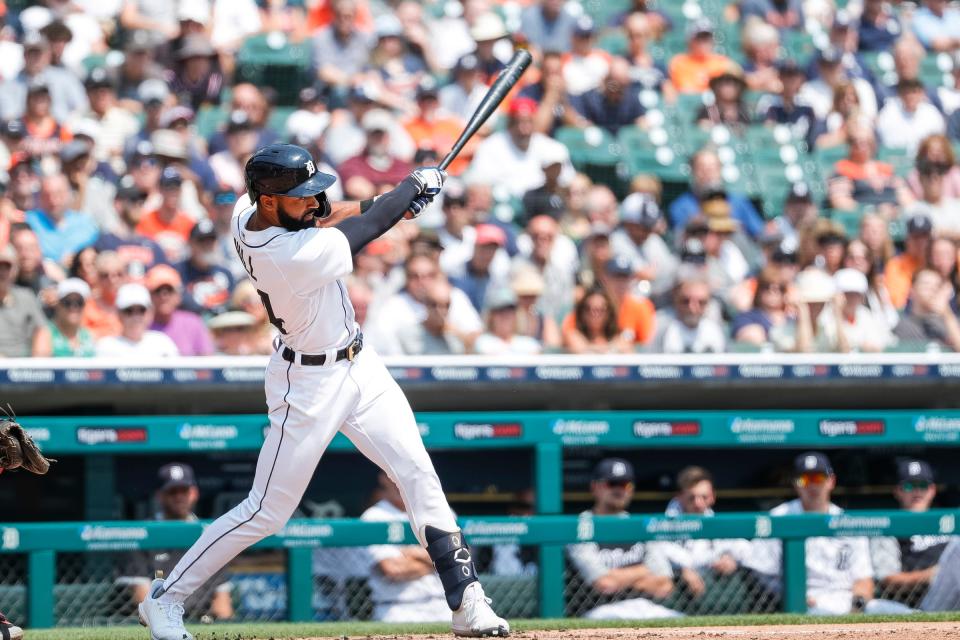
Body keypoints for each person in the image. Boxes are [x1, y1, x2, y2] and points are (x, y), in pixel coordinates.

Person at [137, 143, 509, 640]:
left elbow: (337, 213)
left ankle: (467, 601)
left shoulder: (249, 210)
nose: (313, 204)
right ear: (270, 201)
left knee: (418, 472)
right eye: (301, 196)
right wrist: (407, 194)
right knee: (267, 511)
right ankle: (167, 598)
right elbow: (360, 231)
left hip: (360, 364)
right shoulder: (286, 254)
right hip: (307, 385)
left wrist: (397, 199)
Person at [747, 452, 902, 615]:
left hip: (852, 603)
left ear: (831, 481)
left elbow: (864, 580)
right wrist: (795, 597)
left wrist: (856, 607)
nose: (812, 485)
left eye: (819, 478)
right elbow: (764, 574)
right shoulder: (779, 517)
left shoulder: (848, 522)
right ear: (795, 483)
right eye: (805, 479)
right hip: (810, 605)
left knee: (908, 615)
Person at [566, 458, 681, 620]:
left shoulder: (639, 526)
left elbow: (665, 585)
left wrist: (618, 578)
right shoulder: (583, 525)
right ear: (595, 487)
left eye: (625, 484)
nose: (619, 490)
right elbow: (604, 583)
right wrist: (644, 571)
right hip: (600, 610)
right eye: (612, 484)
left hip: (645, 607)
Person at [119, 463, 234, 622]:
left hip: (202, 622)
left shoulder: (209, 536)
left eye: (184, 490)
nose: (179, 496)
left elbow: (222, 601)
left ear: (194, 493)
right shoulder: (144, 534)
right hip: (157, 623)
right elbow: (142, 597)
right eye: (172, 491)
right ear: (160, 495)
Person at [363, 470, 449, 622]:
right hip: (397, 609)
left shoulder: (438, 511)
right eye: (392, 476)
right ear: (383, 479)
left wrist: (412, 553)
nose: (399, 482)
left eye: (404, 475)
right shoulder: (374, 517)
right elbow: (394, 569)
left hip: (444, 606)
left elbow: (462, 555)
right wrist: (440, 560)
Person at [871, 459, 959, 609]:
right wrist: (934, 575)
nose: (917, 492)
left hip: (953, 595)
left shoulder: (947, 522)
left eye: (922, 486)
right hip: (916, 604)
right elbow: (888, 580)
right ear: (897, 491)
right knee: (874, 607)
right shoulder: (889, 527)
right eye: (909, 486)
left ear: (932, 490)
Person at [145, 264, 214, 357]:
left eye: (169, 290)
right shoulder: (141, 325)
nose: (164, 296)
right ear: (149, 295)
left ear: (178, 295)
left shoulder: (193, 323)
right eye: (158, 291)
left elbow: (207, 362)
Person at [96, 282, 179, 358]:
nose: (136, 316)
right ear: (118, 314)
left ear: (150, 312)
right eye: (129, 310)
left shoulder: (163, 343)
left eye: (141, 310)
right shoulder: (105, 347)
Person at [651, 275, 726, 354]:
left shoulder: (714, 329)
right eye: (686, 301)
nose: (692, 308)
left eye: (701, 302)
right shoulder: (658, 325)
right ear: (675, 299)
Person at [0, 243, 51, 358]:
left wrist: (38, 364)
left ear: (15, 270)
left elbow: (41, 330)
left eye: (6, 267)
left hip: (22, 367)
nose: (1, 273)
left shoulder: (26, 297)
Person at [894, 268, 960, 351]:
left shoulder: (949, 322)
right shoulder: (903, 325)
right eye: (926, 284)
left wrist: (947, 314)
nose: (932, 289)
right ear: (912, 290)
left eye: (937, 286)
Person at [668, 19, 735, 95]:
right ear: (690, 40)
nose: (703, 43)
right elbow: (674, 89)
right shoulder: (678, 62)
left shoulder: (722, 62)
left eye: (707, 38)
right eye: (699, 38)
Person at [561, 285, 633, 354]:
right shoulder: (572, 335)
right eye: (588, 309)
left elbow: (628, 352)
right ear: (581, 312)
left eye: (600, 310)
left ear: (609, 313)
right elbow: (579, 349)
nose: (594, 314)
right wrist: (612, 349)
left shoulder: (620, 339)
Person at [473, 287, 542, 355]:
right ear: (491, 316)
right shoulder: (483, 343)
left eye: (510, 311)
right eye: (500, 311)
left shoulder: (530, 344)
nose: (505, 316)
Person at [49, 277, 96, 357]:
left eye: (79, 302)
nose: (73, 307)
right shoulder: (46, 334)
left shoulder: (89, 336)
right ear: (58, 304)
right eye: (67, 302)